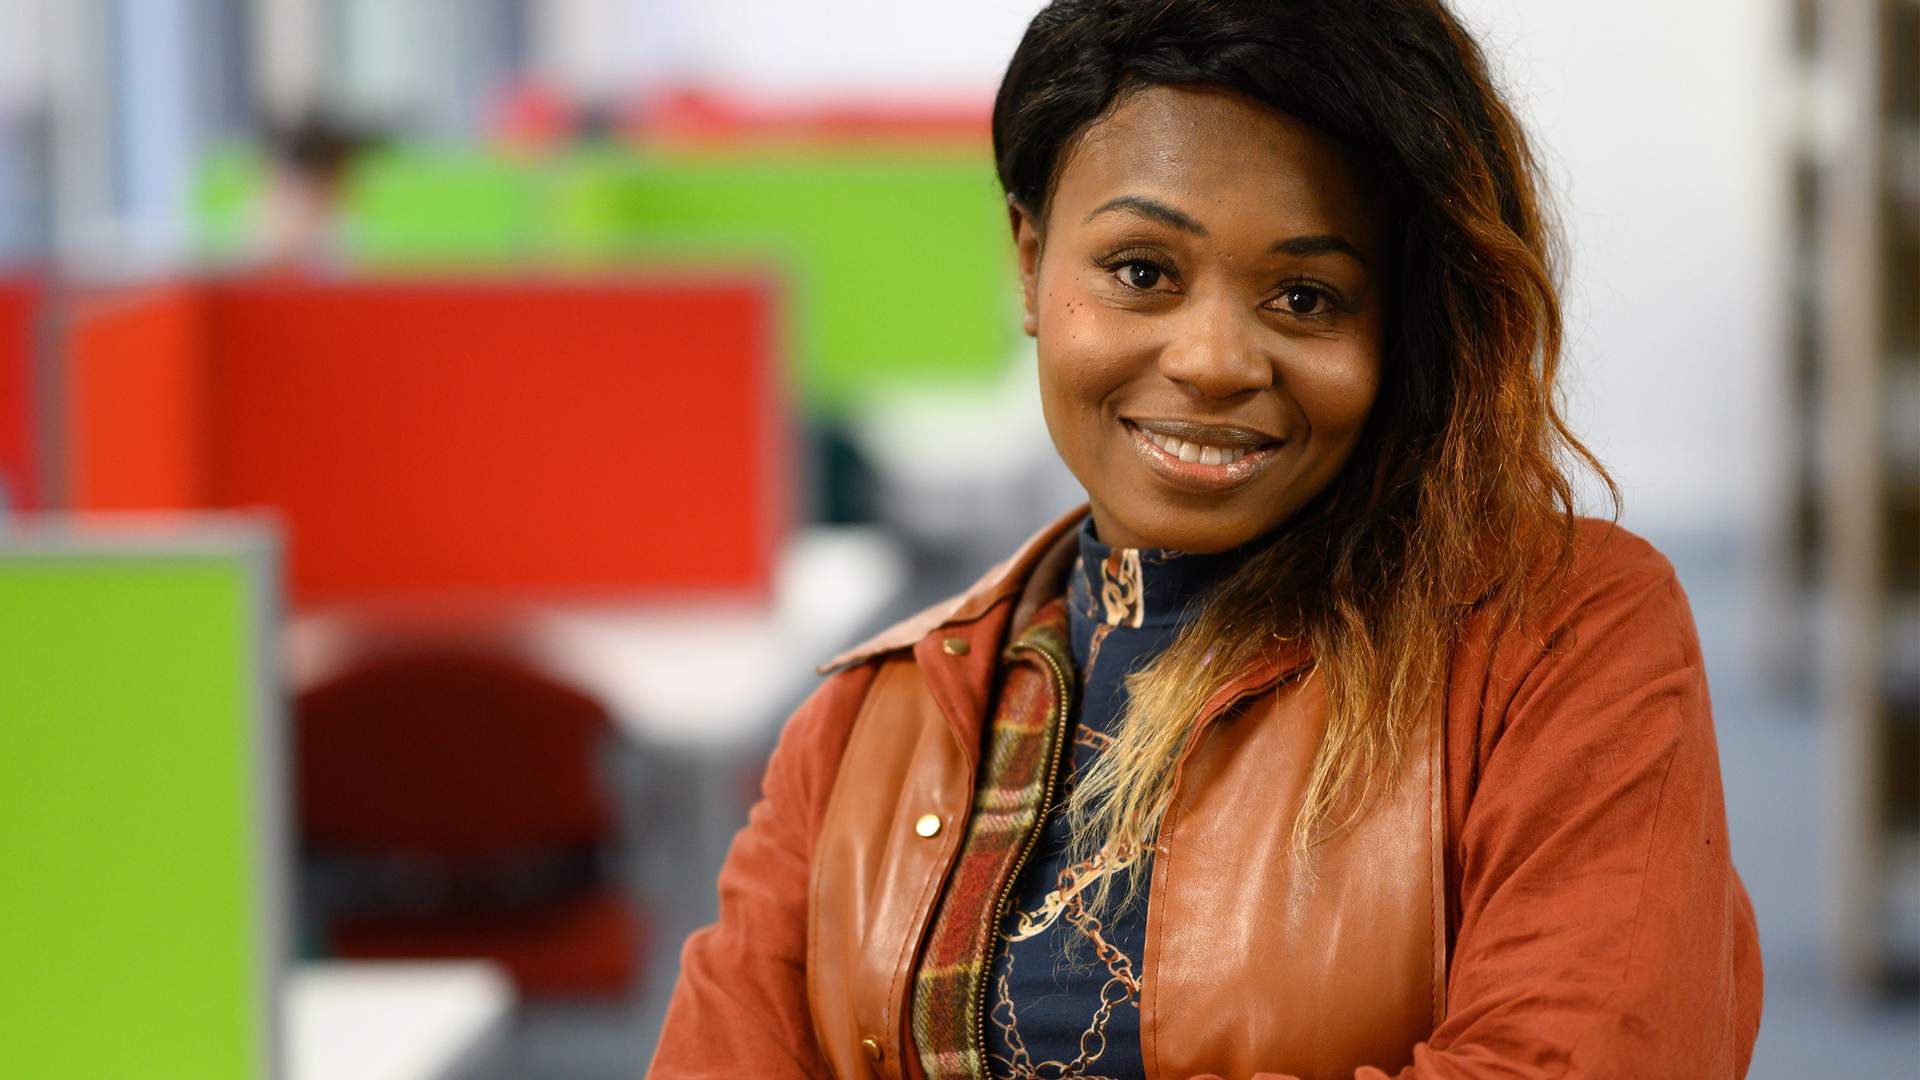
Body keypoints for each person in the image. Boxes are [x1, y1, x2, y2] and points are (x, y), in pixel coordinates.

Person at [648, 1, 1764, 1077]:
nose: (1217, 360)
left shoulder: (1558, 639)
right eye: (1142, 273)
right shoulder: (862, 730)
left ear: (1402, 322)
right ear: (1030, 260)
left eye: (1306, 297)